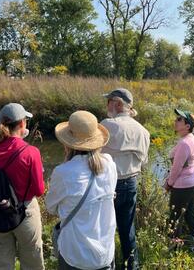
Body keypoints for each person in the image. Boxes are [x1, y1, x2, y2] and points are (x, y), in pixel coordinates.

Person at [46, 110, 117, 270]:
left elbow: (51, 208)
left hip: (75, 253)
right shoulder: (110, 164)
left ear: (67, 143)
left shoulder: (64, 172)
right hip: (104, 252)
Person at [0, 103, 45, 270]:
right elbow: (39, 190)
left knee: (0, 260)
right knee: (32, 259)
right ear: (22, 124)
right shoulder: (31, 152)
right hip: (25, 211)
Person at [100, 88, 150, 270]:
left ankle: (106, 264)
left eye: (109, 101)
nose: (106, 105)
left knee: (104, 229)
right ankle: (132, 265)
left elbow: (92, 153)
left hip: (108, 185)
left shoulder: (107, 125)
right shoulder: (143, 131)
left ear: (118, 104)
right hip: (131, 183)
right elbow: (144, 162)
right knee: (127, 228)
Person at [164, 109, 194, 239]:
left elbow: (176, 168)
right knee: (190, 215)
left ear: (187, 126)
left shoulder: (184, 143)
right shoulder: (190, 138)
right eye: (176, 118)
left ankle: (173, 248)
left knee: (175, 218)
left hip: (183, 187)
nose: (176, 121)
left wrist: (169, 183)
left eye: (179, 119)